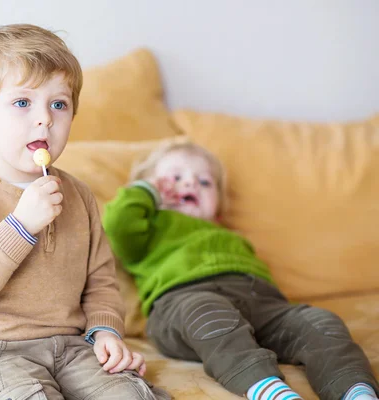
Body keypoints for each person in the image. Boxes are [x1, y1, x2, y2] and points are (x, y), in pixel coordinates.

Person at [0, 23, 170, 400]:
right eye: (23, 102)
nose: (44, 118)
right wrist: (22, 225)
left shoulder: (79, 196)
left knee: (133, 395)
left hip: (71, 347)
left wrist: (106, 332)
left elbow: (101, 281)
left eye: (58, 104)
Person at [103, 140, 378, 400]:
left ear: (219, 208)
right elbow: (118, 223)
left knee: (319, 321)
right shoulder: (148, 228)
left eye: (204, 182)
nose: (190, 183)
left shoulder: (228, 234)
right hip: (183, 303)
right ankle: (268, 388)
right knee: (207, 313)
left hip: (263, 305)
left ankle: (354, 388)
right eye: (173, 178)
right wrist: (147, 191)